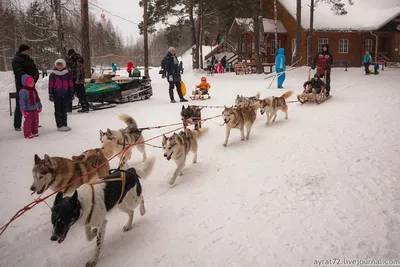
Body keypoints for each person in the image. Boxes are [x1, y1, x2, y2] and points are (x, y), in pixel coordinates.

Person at [11, 44, 39, 131]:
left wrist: (34, 79)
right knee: (21, 103)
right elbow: (18, 72)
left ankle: (33, 121)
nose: (29, 52)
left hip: (31, 85)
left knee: (32, 102)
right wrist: (27, 79)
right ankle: (17, 124)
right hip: (21, 85)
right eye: (28, 50)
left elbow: (35, 70)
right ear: (23, 51)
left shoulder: (30, 60)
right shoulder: (17, 59)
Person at [48, 59, 74, 132]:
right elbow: (50, 85)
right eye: (58, 65)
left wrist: (71, 93)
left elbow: (70, 84)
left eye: (61, 65)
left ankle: (64, 124)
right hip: (57, 95)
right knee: (58, 110)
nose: (59, 66)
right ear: (56, 65)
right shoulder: (53, 75)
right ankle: (60, 125)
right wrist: (51, 94)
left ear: (64, 65)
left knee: (64, 110)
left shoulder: (67, 74)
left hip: (66, 95)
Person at [66, 49, 89, 113]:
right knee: (81, 94)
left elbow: (71, 70)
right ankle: (85, 106)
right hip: (80, 80)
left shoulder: (70, 59)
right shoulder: (80, 59)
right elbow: (82, 71)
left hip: (72, 80)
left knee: (69, 95)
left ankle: (68, 108)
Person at [19, 74, 42, 138]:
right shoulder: (23, 91)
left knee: (35, 120)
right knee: (28, 122)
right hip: (28, 110)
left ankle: (35, 131)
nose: (32, 84)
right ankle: (27, 133)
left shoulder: (33, 90)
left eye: (33, 82)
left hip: (35, 109)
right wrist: (23, 110)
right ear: (25, 83)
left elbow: (37, 99)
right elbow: (22, 102)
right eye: (30, 83)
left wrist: (39, 106)